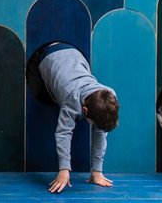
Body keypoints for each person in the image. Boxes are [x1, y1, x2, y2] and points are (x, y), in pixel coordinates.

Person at [32, 41, 119, 193]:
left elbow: (100, 135)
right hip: (47, 56)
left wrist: (97, 171)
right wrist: (64, 169)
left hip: (75, 54)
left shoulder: (109, 94)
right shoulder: (71, 99)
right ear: (84, 110)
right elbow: (63, 133)